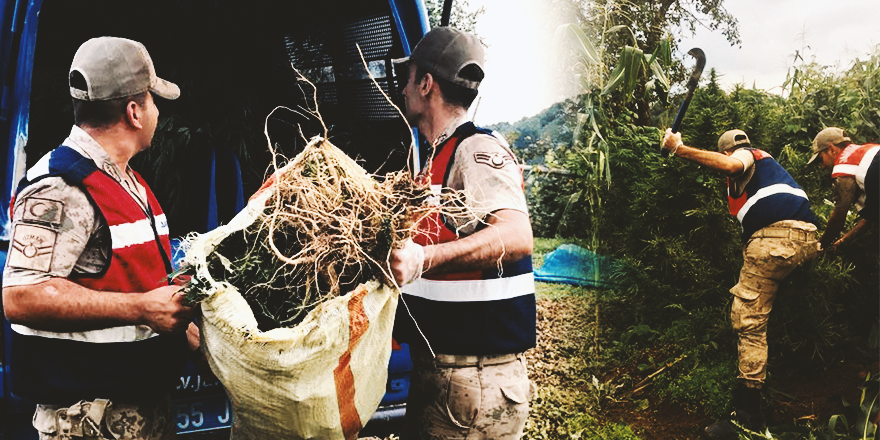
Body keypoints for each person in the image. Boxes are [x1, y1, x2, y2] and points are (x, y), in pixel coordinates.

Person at [2, 37, 195, 440]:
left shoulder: (127, 182)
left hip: (139, 412)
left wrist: (178, 323)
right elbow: (21, 295)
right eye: (153, 101)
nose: (158, 112)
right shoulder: (60, 186)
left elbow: (134, 274)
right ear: (134, 111)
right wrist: (142, 308)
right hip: (89, 423)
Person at [389, 27, 536, 439]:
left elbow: (515, 233)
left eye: (409, 77)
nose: (401, 90)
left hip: (476, 383)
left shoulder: (476, 150)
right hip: (441, 375)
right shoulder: (436, 159)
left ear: (426, 84)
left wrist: (423, 259)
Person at [661, 128, 820, 439]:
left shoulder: (747, 156)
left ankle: (747, 412)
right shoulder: (766, 176)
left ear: (725, 152)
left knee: (747, 319)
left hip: (776, 240)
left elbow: (733, 165)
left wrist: (678, 148)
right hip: (805, 239)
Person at [808, 127, 880, 252]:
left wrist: (819, 247)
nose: (822, 166)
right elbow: (872, 217)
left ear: (832, 150)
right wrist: (843, 241)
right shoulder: (869, 151)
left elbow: (838, 218)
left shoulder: (844, 167)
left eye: (820, 159)